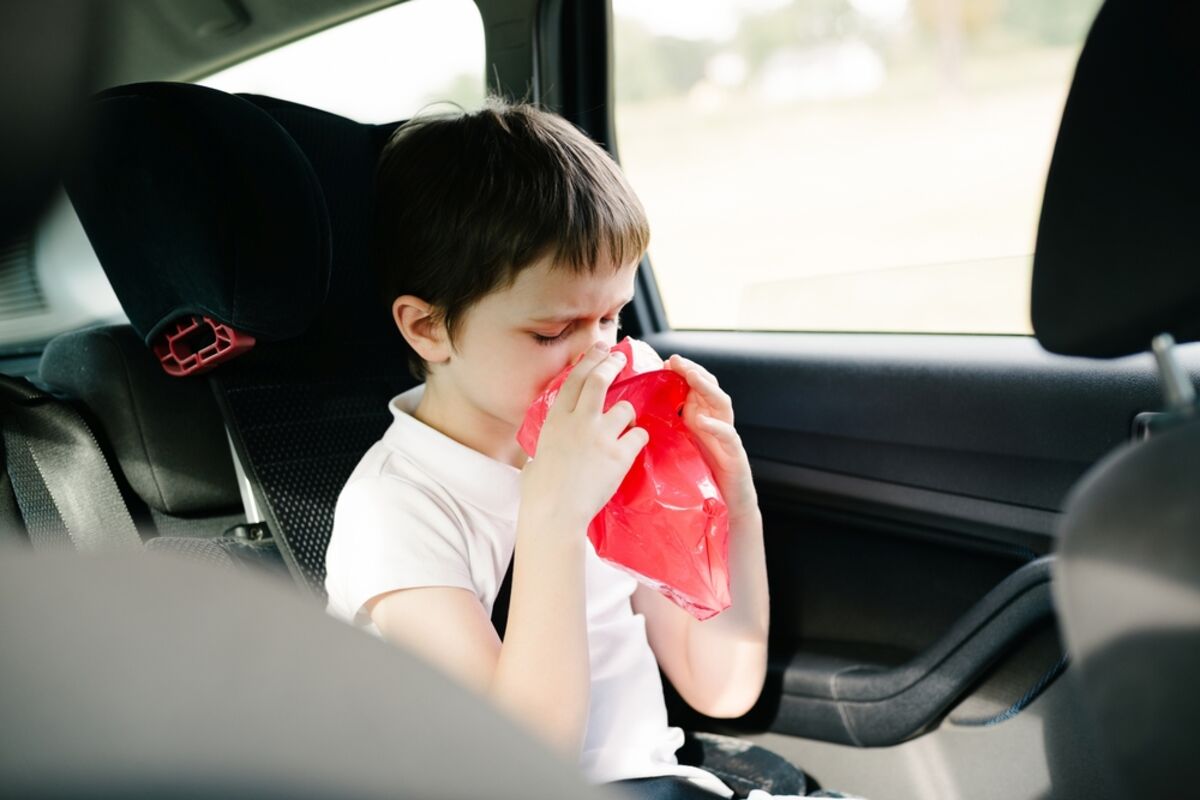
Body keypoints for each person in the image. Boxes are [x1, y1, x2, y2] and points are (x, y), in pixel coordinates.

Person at [324, 97, 774, 799]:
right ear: (429, 328)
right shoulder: (397, 508)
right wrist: (555, 518)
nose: (598, 354)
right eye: (552, 332)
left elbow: (722, 683)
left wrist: (734, 506)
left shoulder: (602, 447)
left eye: (612, 318)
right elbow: (524, 768)